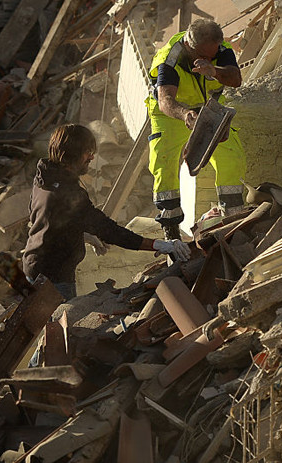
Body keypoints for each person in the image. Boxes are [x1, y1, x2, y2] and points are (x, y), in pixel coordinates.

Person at [22, 124, 190, 299]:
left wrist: (81, 233)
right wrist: (159, 245)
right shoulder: (68, 193)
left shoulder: (44, 177)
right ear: (71, 155)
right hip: (52, 278)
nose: (92, 157)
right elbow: (109, 230)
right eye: (87, 152)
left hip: (33, 265)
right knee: (62, 316)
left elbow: (42, 216)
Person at [145, 19, 247, 240]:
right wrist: (185, 115)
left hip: (208, 108)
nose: (208, 59)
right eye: (203, 56)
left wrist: (215, 70)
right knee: (164, 161)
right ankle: (171, 227)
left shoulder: (221, 49)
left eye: (212, 55)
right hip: (173, 113)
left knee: (230, 156)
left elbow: (236, 79)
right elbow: (165, 100)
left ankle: (233, 217)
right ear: (188, 46)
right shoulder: (170, 59)